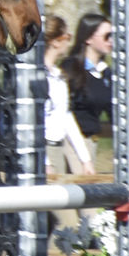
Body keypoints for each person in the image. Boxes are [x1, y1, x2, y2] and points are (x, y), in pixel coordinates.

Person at [60, 12, 113, 173]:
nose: (111, 41)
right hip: (70, 141)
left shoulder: (106, 73)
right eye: (107, 36)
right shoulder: (71, 68)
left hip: (90, 141)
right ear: (88, 38)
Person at [43, 15, 95, 177]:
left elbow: (66, 117)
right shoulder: (39, 76)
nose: (69, 42)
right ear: (56, 41)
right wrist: (45, 162)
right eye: (67, 37)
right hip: (45, 152)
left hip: (57, 150)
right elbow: (35, 120)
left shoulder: (58, 75)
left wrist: (85, 160)